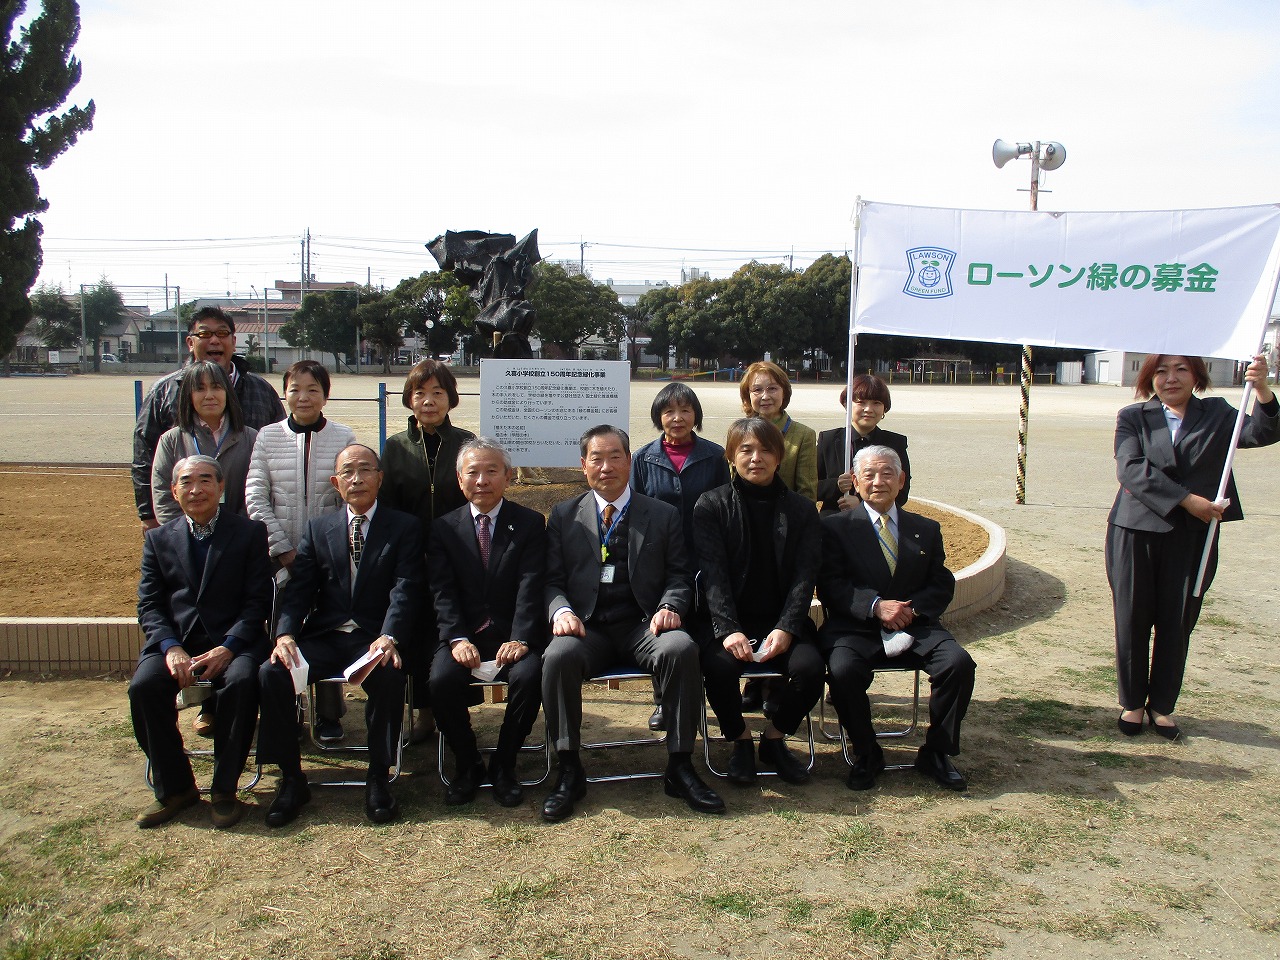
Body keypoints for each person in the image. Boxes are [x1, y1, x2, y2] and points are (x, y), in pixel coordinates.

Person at [540, 425, 725, 822]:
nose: (606, 467)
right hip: (587, 627)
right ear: (583, 464)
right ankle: (569, 768)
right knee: (557, 657)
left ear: (630, 461)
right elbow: (551, 579)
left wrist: (670, 605)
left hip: (643, 624)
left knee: (681, 648)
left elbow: (680, 574)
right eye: (597, 458)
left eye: (615, 457)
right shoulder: (563, 515)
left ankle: (680, 764)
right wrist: (562, 611)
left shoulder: (662, 514)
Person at [1107, 354, 1278, 740]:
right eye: (1162, 371)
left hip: (1194, 535)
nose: (1171, 379)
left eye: (1181, 370)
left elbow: (1264, 433)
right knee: (1132, 617)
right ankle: (1132, 702)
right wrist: (1188, 500)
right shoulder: (1133, 416)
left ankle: (1163, 706)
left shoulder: (1218, 414)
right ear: (1150, 378)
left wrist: (1263, 389)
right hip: (1135, 530)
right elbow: (1130, 468)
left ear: (1196, 375)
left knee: (1178, 619)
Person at [256, 445, 425, 826]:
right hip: (327, 636)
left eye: (366, 470)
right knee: (272, 674)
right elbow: (299, 591)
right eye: (348, 472)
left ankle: (379, 775)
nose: (357, 478)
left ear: (380, 478)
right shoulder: (319, 528)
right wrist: (284, 635)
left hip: (374, 638)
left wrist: (389, 636)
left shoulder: (404, 527)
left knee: (388, 675)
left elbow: (407, 588)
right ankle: (291, 778)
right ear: (335, 483)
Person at [817, 445, 975, 792]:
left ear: (901, 481)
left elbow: (940, 581)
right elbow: (831, 584)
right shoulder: (835, 528)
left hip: (915, 624)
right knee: (842, 671)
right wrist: (875, 606)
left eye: (887, 473)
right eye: (869, 475)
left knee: (958, 664)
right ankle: (867, 751)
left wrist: (911, 610)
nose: (878, 481)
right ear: (855, 482)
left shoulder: (926, 529)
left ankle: (936, 751)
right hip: (855, 626)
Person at [129, 455, 273, 829]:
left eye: (206, 480)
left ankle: (224, 789)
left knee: (242, 682)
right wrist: (170, 647)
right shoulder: (159, 539)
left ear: (222, 487)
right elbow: (149, 603)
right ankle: (176, 788)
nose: (197, 489)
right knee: (144, 687)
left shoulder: (250, 534)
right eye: (187, 482)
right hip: (177, 645)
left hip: (234, 643)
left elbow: (258, 600)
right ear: (174, 491)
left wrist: (229, 646)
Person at [693, 418, 824, 785]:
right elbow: (713, 575)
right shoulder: (711, 505)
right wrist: (728, 629)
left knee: (811, 670)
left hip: (783, 621)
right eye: (746, 450)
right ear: (731, 456)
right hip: (730, 622)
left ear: (779, 457)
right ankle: (739, 739)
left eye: (766, 450)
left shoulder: (801, 510)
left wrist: (787, 627)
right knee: (717, 669)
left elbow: (804, 576)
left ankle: (774, 738)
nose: (756, 458)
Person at [428, 438, 546, 807]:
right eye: (473, 472)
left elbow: (532, 584)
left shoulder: (528, 523)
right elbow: (441, 591)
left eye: (492, 471)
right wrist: (456, 638)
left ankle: (504, 763)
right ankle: (467, 763)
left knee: (530, 676)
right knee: (441, 680)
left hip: (512, 634)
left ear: (508, 477)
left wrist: (522, 637)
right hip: (463, 636)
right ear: (459, 480)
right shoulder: (443, 528)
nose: (482, 480)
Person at [245, 359, 355, 744]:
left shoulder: (343, 437)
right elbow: (256, 497)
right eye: (295, 389)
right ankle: (288, 707)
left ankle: (328, 714)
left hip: (330, 559)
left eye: (313, 389)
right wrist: (284, 549)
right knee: (285, 632)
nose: (304, 397)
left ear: (325, 395)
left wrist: (326, 553)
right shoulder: (268, 436)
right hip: (280, 558)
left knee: (325, 630)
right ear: (284, 392)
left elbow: (350, 498)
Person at [381, 358, 477, 743]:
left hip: (459, 556)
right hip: (411, 558)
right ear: (408, 399)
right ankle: (423, 713)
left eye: (438, 392)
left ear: (451, 399)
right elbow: (387, 506)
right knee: (419, 634)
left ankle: (454, 710)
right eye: (420, 393)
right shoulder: (395, 448)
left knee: (457, 629)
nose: (429, 401)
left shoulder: (465, 443)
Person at [629, 381, 730, 730]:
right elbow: (635, 510)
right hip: (661, 558)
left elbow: (724, 505)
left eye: (685, 410)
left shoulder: (715, 456)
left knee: (702, 624)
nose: (677, 418)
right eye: (669, 411)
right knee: (666, 624)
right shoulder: (642, 458)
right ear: (659, 416)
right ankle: (664, 699)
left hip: (704, 555)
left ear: (696, 415)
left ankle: (699, 693)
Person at [133, 305, 284, 530]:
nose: (214, 340)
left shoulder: (261, 391)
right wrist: (150, 515)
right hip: (181, 525)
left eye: (222, 334)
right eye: (204, 334)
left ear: (233, 341)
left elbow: (279, 456)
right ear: (190, 343)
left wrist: (254, 527)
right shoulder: (164, 391)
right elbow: (145, 456)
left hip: (247, 526)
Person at [151, 362, 257, 525]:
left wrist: (238, 534)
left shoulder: (252, 438)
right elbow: (164, 498)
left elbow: (257, 494)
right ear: (189, 395)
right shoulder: (170, 441)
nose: (209, 395)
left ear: (227, 392)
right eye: (200, 389)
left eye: (216, 387)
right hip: (188, 543)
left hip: (240, 541)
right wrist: (187, 536)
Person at [816, 376, 911, 514]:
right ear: (846, 405)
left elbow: (902, 493)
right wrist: (837, 485)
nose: (868, 409)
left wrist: (863, 504)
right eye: (861, 402)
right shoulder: (829, 440)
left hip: (878, 522)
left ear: (885, 408)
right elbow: (810, 487)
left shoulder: (895, 443)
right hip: (832, 523)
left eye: (876, 403)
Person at [738, 360, 817, 502]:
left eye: (772, 389)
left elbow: (807, 494)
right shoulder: (739, 433)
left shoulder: (804, 435)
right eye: (757, 390)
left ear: (784, 392)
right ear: (747, 395)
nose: (765, 396)